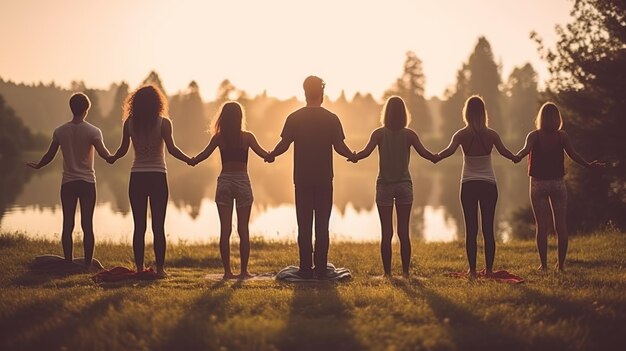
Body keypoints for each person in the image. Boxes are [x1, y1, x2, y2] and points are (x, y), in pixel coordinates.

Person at [268, 76, 357, 279]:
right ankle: (321, 268)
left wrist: (271, 154)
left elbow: (283, 144)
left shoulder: (294, 118)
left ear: (305, 93)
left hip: (302, 180)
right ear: (322, 93)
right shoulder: (331, 118)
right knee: (322, 226)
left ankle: (306, 268)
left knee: (304, 225)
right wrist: (353, 155)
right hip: (325, 180)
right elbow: (340, 147)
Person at [108, 85, 192, 277]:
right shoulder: (164, 123)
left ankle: (139, 269)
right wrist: (189, 160)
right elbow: (172, 149)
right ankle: (161, 270)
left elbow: (122, 150)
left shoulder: (129, 123)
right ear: (157, 102)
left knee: (139, 226)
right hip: (157, 176)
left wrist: (111, 157)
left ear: (135, 103)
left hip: (137, 176)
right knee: (158, 226)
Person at [354, 96, 438, 277]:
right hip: (404, 186)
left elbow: (364, 153)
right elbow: (425, 154)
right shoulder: (409, 135)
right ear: (403, 114)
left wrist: (353, 156)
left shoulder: (378, 134)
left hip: (384, 185)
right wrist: (437, 156)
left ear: (386, 113)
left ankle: (387, 274)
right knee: (403, 232)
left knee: (386, 233)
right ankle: (406, 273)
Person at [514, 102, 603, 271]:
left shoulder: (533, 135)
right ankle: (561, 266)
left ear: (540, 118)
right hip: (557, 184)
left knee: (541, 227)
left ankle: (544, 266)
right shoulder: (562, 136)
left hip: (538, 184)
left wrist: (516, 157)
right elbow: (574, 155)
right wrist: (589, 165)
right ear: (557, 118)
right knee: (560, 226)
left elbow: (524, 150)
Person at [26, 92, 113, 267]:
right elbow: (106, 155)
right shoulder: (94, 131)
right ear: (86, 110)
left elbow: (49, 155)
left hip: (68, 183)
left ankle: (67, 262)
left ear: (71, 108)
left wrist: (38, 165)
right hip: (87, 183)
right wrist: (116, 155)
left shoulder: (60, 131)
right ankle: (87, 264)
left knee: (68, 224)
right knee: (87, 225)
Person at [436, 95, 516, 277]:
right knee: (488, 228)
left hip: (468, 184)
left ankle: (472, 271)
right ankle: (488, 270)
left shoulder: (461, 134)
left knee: (471, 229)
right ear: (483, 113)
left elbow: (448, 151)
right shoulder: (491, 135)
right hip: (489, 184)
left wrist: (435, 157)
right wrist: (517, 157)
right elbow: (505, 152)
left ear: (466, 113)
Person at [190, 101, 272, 279]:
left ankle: (227, 272)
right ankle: (244, 272)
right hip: (242, 182)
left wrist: (192, 160)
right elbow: (264, 154)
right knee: (244, 230)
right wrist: (272, 155)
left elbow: (204, 154)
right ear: (240, 117)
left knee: (225, 230)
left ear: (223, 118)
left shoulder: (219, 138)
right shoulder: (248, 137)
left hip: (225, 182)